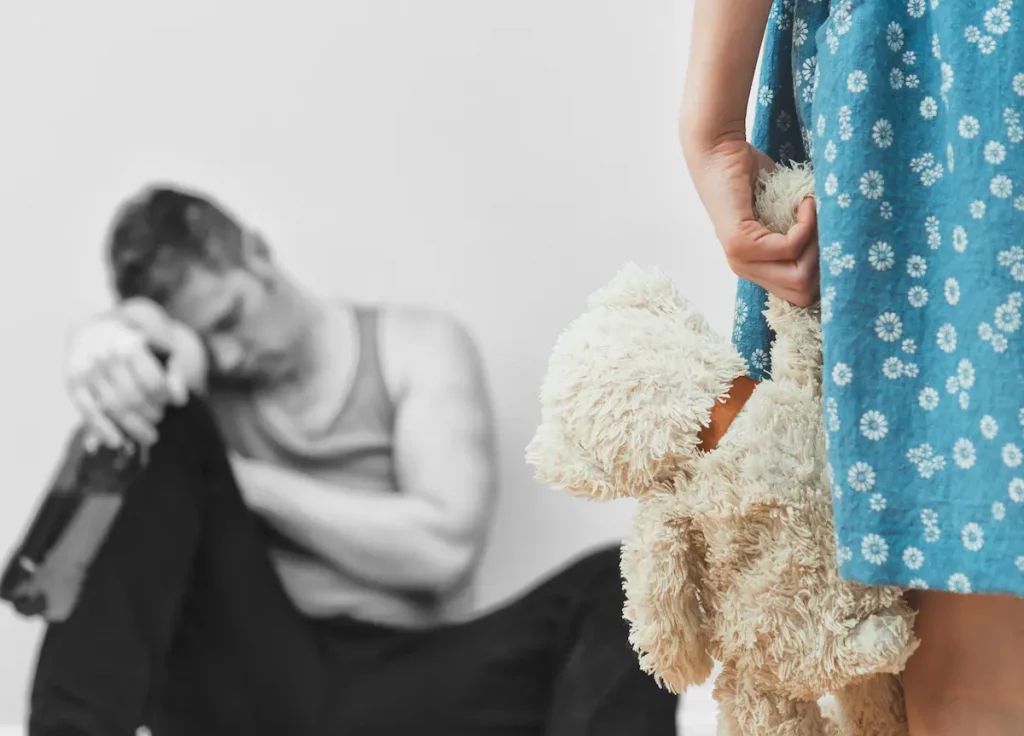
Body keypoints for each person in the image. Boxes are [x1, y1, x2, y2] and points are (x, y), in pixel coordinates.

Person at [29, 185, 679, 735]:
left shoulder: (414, 347)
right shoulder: (196, 398)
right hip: (252, 683)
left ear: (257, 255)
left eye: (230, 319)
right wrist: (106, 345)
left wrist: (247, 484)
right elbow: (131, 407)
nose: (226, 356)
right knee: (145, 418)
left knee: (630, 572)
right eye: (205, 340)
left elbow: (442, 552)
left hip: (410, 683)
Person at [680, 1, 1024, 734]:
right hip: (958, 80)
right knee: (978, 657)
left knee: (982, 678)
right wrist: (708, 127)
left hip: (951, 75)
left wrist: (709, 123)